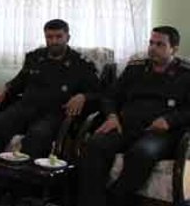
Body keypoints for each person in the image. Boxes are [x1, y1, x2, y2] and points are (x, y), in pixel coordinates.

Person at [0, 19, 100, 182]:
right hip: (24, 108)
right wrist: (5, 90)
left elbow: (98, 92)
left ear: (68, 37)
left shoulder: (81, 63)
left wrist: (83, 96)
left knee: (37, 137)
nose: (54, 41)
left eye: (58, 37)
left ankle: (25, 186)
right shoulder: (35, 57)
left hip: (53, 114)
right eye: (49, 37)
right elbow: (18, 82)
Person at [77, 26, 190, 206]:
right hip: (125, 125)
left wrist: (170, 120)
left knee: (141, 154)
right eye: (151, 43)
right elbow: (109, 96)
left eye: (160, 44)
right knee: (95, 145)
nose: (153, 48)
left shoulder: (185, 74)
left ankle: (115, 199)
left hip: (160, 132)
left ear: (174, 49)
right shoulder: (135, 68)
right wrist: (112, 116)